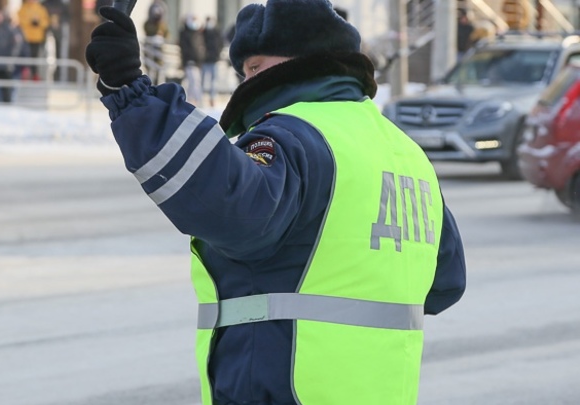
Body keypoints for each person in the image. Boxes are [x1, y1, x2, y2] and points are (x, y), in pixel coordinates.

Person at [84, 0, 466, 403]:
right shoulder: (405, 153)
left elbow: (229, 206)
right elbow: (445, 283)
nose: (246, 80)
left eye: (254, 67)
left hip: (290, 389)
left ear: (303, 59)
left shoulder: (294, 136)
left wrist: (129, 90)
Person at [17, 0, 49, 81]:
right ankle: (25, 74)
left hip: (37, 38)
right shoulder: (23, 9)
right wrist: (30, 21)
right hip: (26, 38)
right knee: (25, 56)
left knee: (35, 57)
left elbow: (46, 22)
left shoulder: (41, 9)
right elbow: (19, 21)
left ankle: (35, 75)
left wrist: (38, 22)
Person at [178, 13, 205, 106]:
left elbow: (200, 48)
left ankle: (193, 100)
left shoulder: (198, 33)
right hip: (190, 61)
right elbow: (185, 49)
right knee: (193, 81)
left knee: (194, 81)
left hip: (198, 62)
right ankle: (194, 100)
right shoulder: (185, 33)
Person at [41, 0, 69, 81]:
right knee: (44, 53)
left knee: (59, 54)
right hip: (45, 33)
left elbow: (67, 17)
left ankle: (58, 77)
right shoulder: (44, 4)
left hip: (58, 33)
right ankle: (43, 76)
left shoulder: (62, 5)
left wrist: (59, 22)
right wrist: (48, 23)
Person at [142, 1, 169, 84]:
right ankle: (149, 83)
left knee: (158, 69)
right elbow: (148, 30)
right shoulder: (148, 23)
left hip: (159, 49)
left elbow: (166, 34)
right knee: (150, 69)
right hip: (149, 48)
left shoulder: (163, 24)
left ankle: (157, 84)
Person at [201, 16, 224, 107]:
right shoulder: (203, 32)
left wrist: (218, 54)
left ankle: (212, 99)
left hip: (214, 59)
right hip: (204, 60)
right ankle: (201, 98)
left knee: (213, 81)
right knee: (202, 80)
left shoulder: (216, 32)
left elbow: (220, 44)